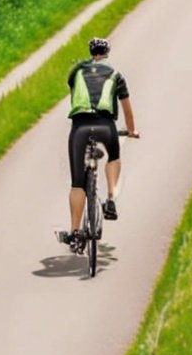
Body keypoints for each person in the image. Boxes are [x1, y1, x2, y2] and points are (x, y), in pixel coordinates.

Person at [58, 37, 139, 254]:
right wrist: (131, 130)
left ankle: (75, 233)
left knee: (77, 184)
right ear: (107, 54)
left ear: (91, 52)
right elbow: (127, 109)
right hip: (105, 125)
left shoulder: (76, 72)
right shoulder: (116, 75)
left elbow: (75, 95)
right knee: (113, 157)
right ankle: (111, 198)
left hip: (81, 127)